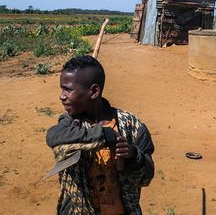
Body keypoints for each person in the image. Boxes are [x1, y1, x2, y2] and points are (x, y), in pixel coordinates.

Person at [46, 55, 154, 214]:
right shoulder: (70, 122)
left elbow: (146, 177)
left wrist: (132, 155)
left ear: (94, 91)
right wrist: (104, 134)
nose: (62, 96)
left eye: (68, 89)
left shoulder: (131, 126)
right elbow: (53, 136)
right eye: (62, 89)